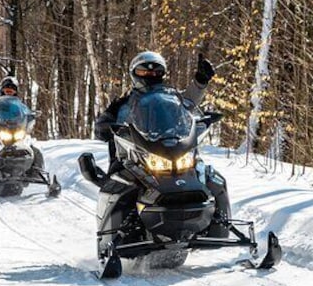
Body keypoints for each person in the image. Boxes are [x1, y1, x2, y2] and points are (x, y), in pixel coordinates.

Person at [93, 51, 229, 225]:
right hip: (134, 159)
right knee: (121, 185)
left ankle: (221, 224)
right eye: (144, 71)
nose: (150, 75)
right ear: (134, 74)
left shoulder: (171, 101)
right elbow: (102, 127)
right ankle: (114, 235)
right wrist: (106, 125)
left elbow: (187, 104)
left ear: (162, 74)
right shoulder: (122, 104)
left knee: (211, 177)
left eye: (156, 72)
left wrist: (200, 81)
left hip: (170, 152)